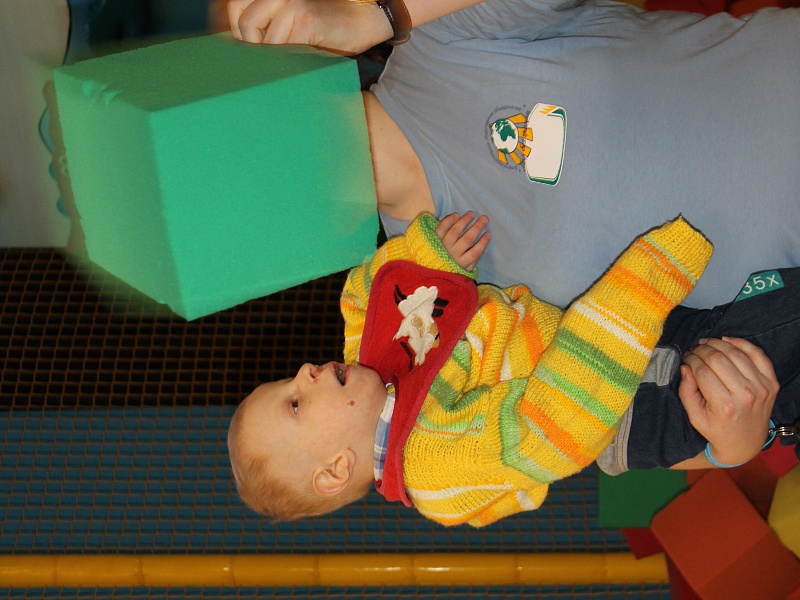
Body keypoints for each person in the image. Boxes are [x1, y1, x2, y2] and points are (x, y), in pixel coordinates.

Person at [224, 0, 795, 451]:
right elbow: (581, 425)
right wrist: (737, 444)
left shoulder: (437, 41)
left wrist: (375, 13)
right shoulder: (428, 303)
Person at [228, 212, 792, 527]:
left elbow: (368, 295)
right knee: (781, 331)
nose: (303, 370)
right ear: (335, 469)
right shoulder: (430, 465)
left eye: (287, 380)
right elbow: (552, 429)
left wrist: (432, 259)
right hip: (628, 401)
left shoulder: (374, 371)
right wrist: (647, 277)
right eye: (296, 402)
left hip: (613, 346)